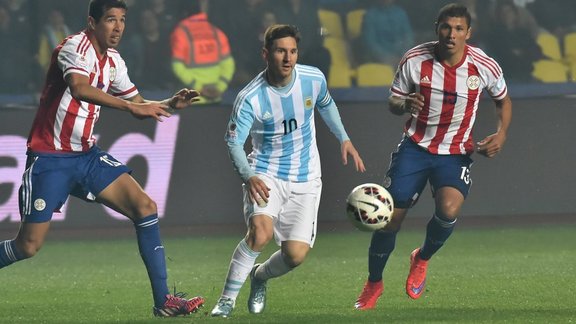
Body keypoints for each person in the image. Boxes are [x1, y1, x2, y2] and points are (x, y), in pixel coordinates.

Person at [0, 0, 205, 317]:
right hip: (50, 158)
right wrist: (133, 108)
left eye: (122, 20)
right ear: (92, 22)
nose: (119, 27)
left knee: (145, 206)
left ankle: (164, 301)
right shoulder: (73, 47)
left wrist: (168, 103)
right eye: (111, 19)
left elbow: (137, 103)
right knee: (27, 246)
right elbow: (80, 88)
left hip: (85, 155)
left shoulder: (114, 62)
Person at [354, 3, 512, 309]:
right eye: (445, 27)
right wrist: (405, 104)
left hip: (454, 153)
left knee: (449, 209)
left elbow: (503, 101)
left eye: (458, 29)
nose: (451, 34)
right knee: (389, 221)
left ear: (469, 32)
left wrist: (501, 134)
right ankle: (374, 282)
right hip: (415, 148)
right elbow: (394, 103)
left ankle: (421, 258)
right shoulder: (414, 60)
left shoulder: (483, 65)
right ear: (436, 27)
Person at [210, 24, 366, 318]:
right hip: (264, 172)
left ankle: (259, 277)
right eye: (281, 51)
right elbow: (233, 142)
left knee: (295, 255)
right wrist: (248, 176)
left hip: (306, 176)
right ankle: (226, 301)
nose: (288, 58)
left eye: (292, 51)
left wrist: (344, 138)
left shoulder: (312, 79)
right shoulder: (251, 98)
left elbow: (326, 105)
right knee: (260, 233)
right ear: (266, 54)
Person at [170, 0, 235, 105]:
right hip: (215, 99)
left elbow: (177, 66)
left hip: (189, 100)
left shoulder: (180, 33)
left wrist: (198, 87)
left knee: (170, 121)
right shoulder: (216, 32)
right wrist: (220, 87)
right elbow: (228, 64)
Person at [358, 0, 414, 66]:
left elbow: (408, 36)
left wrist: (404, 56)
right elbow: (370, 42)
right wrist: (385, 57)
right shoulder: (370, 15)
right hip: (380, 61)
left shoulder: (401, 13)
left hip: (403, 57)